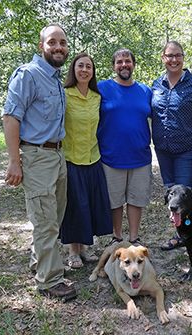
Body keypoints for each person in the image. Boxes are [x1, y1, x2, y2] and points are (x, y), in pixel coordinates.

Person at [2, 24, 77, 300]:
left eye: (63, 43)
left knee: (53, 218)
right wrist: (14, 161)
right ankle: (49, 281)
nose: (58, 47)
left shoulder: (55, 80)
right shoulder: (28, 75)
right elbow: (11, 117)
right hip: (36, 157)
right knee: (44, 220)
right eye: (52, 42)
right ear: (41, 46)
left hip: (57, 156)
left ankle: (41, 264)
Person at [151, 41, 192, 251]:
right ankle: (182, 234)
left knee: (184, 195)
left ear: (183, 57)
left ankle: (189, 236)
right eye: (169, 56)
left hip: (187, 149)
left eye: (178, 55)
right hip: (163, 149)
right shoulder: (156, 84)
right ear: (163, 57)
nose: (174, 60)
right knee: (172, 195)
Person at [60, 53, 113, 269]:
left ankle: (85, 247)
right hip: (71, 159)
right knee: (75, 206)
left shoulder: (96, 97)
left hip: (93, 158)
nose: (84, 70)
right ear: (73, 69)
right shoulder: (64, 94)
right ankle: (73, 251)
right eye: (80, 66)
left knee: (90, 204)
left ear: (92, 72)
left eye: (88, 67)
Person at [97, 48, 152, 246]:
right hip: (111, 155)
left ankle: (134, 238)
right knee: (115, 201)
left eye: (127, 61)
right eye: (119, 62)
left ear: (133, 64)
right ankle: (117, 236)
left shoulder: (145, 91)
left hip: (140, 156)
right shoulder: (102, 88)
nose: (124, 65)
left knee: (136, 199)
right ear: (113, 66)